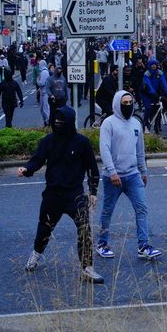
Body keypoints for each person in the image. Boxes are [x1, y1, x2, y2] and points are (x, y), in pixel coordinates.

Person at [20, 106, 103, 283]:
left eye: (62, 122)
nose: (58, 124)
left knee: (84, 230)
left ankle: (87, 268)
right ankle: (36, 255)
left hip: (75, 195)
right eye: (55, 121)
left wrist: (93, 192)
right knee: (44, 228)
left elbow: (92, 168)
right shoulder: (48, 141)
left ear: (70, 122)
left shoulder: (82, 142)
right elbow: (37, 160)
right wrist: (26, 169)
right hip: (52, 194)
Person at [96, 91, 161, 260]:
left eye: (130, 102)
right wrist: (112, 172)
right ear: (117, 103)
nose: (128, 105)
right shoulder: (108, 123)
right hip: (113, 177)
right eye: (124, 102)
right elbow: (105, 149)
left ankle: (143, 246)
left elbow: (140, 150)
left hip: (133, 175)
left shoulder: (136, 123)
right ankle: (102, 244)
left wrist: (143, 170)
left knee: (142, 209)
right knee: (108, 211)